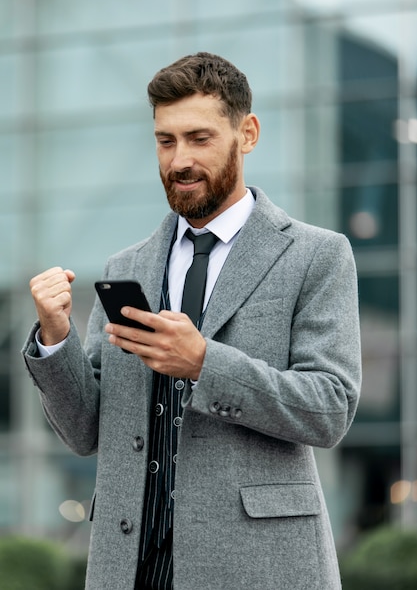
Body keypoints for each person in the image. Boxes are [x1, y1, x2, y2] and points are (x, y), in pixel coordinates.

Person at [22, 52, 361, 590]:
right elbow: (86, 430)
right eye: (166, 140)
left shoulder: (316, 255)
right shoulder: (125, 266)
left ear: (246, 133)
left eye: (199, 138)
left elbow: (331, 408)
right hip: (128, 566)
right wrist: (55, 337)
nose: (180, 159)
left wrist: (205, 363)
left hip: (257, 567)